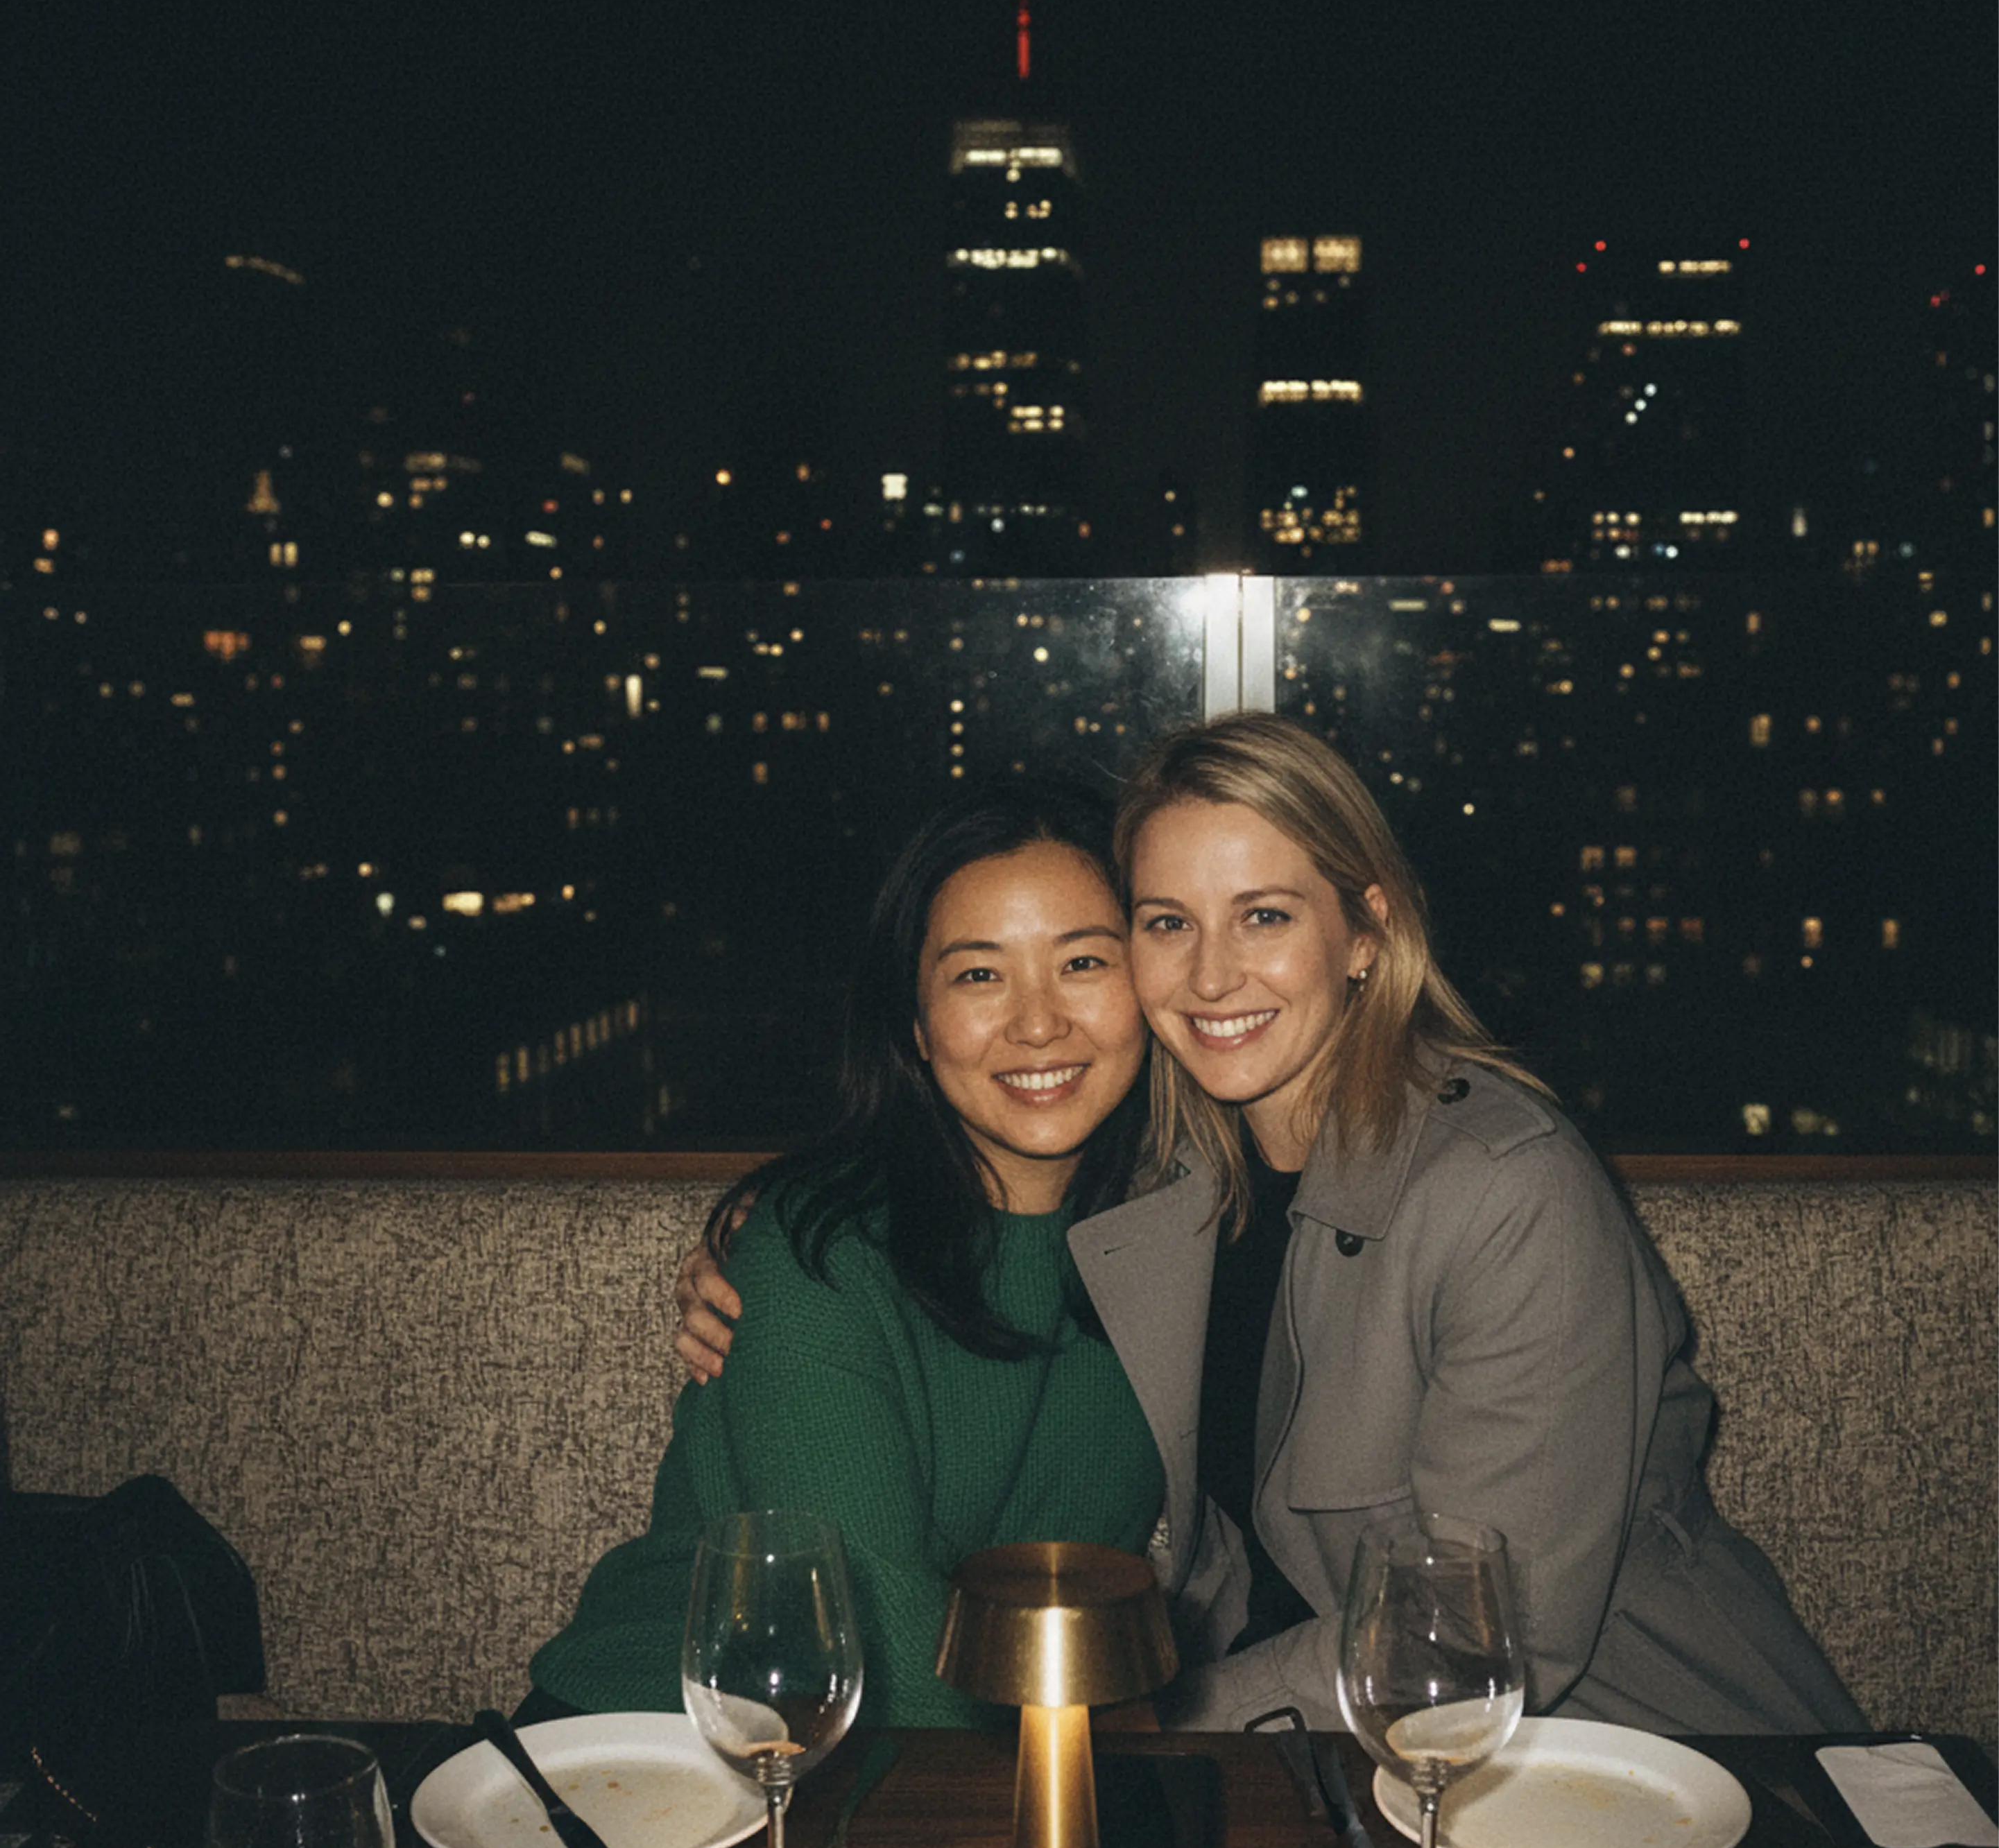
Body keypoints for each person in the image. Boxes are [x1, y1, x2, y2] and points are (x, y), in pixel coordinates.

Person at [680, 712, 1864, 1737]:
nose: (1209, 975)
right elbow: (958, 1191)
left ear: (1363, 933)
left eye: (1262, 916)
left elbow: (1483, 1641)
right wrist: (776, 1228)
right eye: (1164, 922)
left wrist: (1149, 1726)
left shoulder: (1505, 1189)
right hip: (1326, 1760)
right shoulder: (1179, 1179)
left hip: (1636, 1753)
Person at [530, 779, 1164, 1727]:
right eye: (978, 975)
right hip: (673, 1732)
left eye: (1081, 961)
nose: (1037, 1022)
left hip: (958, 1759)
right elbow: (877, 1636)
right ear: (914, 1025)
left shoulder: (1183, 1240)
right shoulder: (814, 1249)